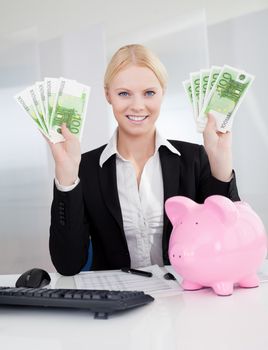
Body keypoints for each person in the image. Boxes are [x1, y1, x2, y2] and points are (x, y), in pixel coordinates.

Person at [49, 44, 240, 276]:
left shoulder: (194, 159)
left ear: (163, 93)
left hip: (186, 300)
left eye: (149, 93)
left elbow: (231, 246)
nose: (138, 105)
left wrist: (221, 170)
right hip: (116, 304)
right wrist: (66, 179)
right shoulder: (86, 168)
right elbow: (68, 265)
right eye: (124, 93)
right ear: (107, 94)